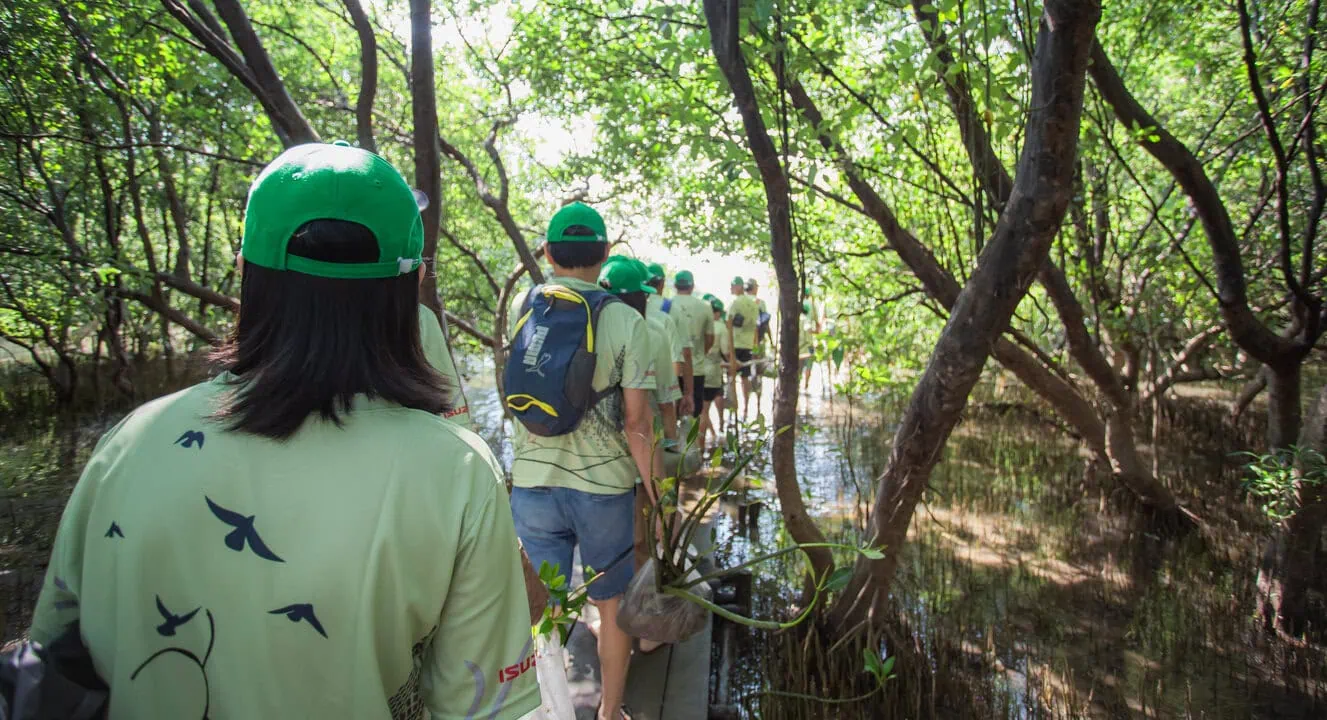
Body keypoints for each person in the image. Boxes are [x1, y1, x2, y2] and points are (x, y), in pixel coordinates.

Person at [29, 142, 539, 719]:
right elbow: (478, 706)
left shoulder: (130, 442)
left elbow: (52, 653)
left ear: (246, 271)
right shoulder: (457, 472)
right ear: (413, 285)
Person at [507, 203, 663, 720]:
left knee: (543, 609)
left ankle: (550, 707)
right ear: (605, 255)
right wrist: (657, 495)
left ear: (548, 253)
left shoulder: (526, 308)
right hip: (603, 489)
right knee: (611, 607)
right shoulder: (625, 319)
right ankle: (609, 712)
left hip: (531, 485)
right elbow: (638, 424)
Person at [644, 263, 692, 417]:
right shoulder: (671, 308)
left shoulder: (631, 304)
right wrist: (686, 393)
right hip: (665, 383)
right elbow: (684, 353)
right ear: (662, 283)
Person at [668, 270, 714, 426]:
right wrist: (700, 352)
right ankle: (695, 448)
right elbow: (709, 339)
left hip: (672, 369)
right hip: (696, 369)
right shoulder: (705, 307)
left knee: (670, 416)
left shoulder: (666, 305)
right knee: (694, 416)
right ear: (692, 286)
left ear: (675, 286)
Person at [699, 297, 730, 456]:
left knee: (701, 410)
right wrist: (733, 362)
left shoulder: (697, 323)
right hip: (712, 373)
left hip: (696, 371)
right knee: (704, 411)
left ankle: (709, 437)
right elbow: (726, 352)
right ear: (716, 312)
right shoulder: (720, 327)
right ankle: (701, 448)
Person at [727, 276, 760, 422]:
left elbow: (729, 323)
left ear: (738, 287)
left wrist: (728, 345)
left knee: (732, 377)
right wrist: (755, 344)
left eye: (732, 286)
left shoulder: (735, 302)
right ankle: (746, 407)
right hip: (747, 345)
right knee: (745, 377)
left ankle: (734, 409)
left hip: (735, 344)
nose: (731, 289)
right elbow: (757, 326)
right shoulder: (753, 304)